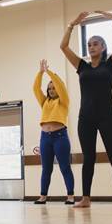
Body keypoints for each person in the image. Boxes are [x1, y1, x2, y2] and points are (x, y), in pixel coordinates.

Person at [60, 10, 112, 209]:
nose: (91, 47)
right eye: (89, 44)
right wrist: (72, 24)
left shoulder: (111, 65)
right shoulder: (82, 66)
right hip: (86, 118)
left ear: (103, 47)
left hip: (107, 116)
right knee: (88, 158)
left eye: (95, 43)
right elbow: (63, 46)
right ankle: (86, 198)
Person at [33, 59, 75, 205]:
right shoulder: (45, 102)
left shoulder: (63, 101)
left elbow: (61, 86)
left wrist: (49, 72)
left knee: (65, 167)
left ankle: (70, 196)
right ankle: (43, 196)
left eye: (53, 88)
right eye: (49, 88)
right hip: (45, 138)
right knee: (46, 169)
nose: (51, 90)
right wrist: (40, 73)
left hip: (60, 137)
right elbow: (35, 88)